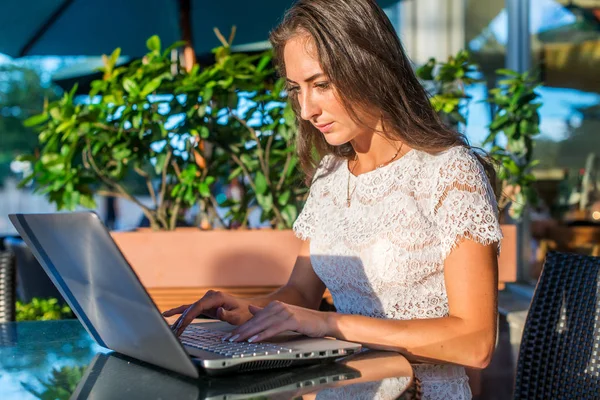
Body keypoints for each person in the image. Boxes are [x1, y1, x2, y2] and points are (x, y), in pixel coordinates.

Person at [164, 0, 502, 397]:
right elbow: (301, 294)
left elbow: (476, 343)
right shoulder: (330, 177)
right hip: (342, 389)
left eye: (321, 84)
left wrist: (331, 324)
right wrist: (247, 310)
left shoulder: (448, 171)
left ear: (369, 66)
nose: (306, 109)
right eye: (297, 90)